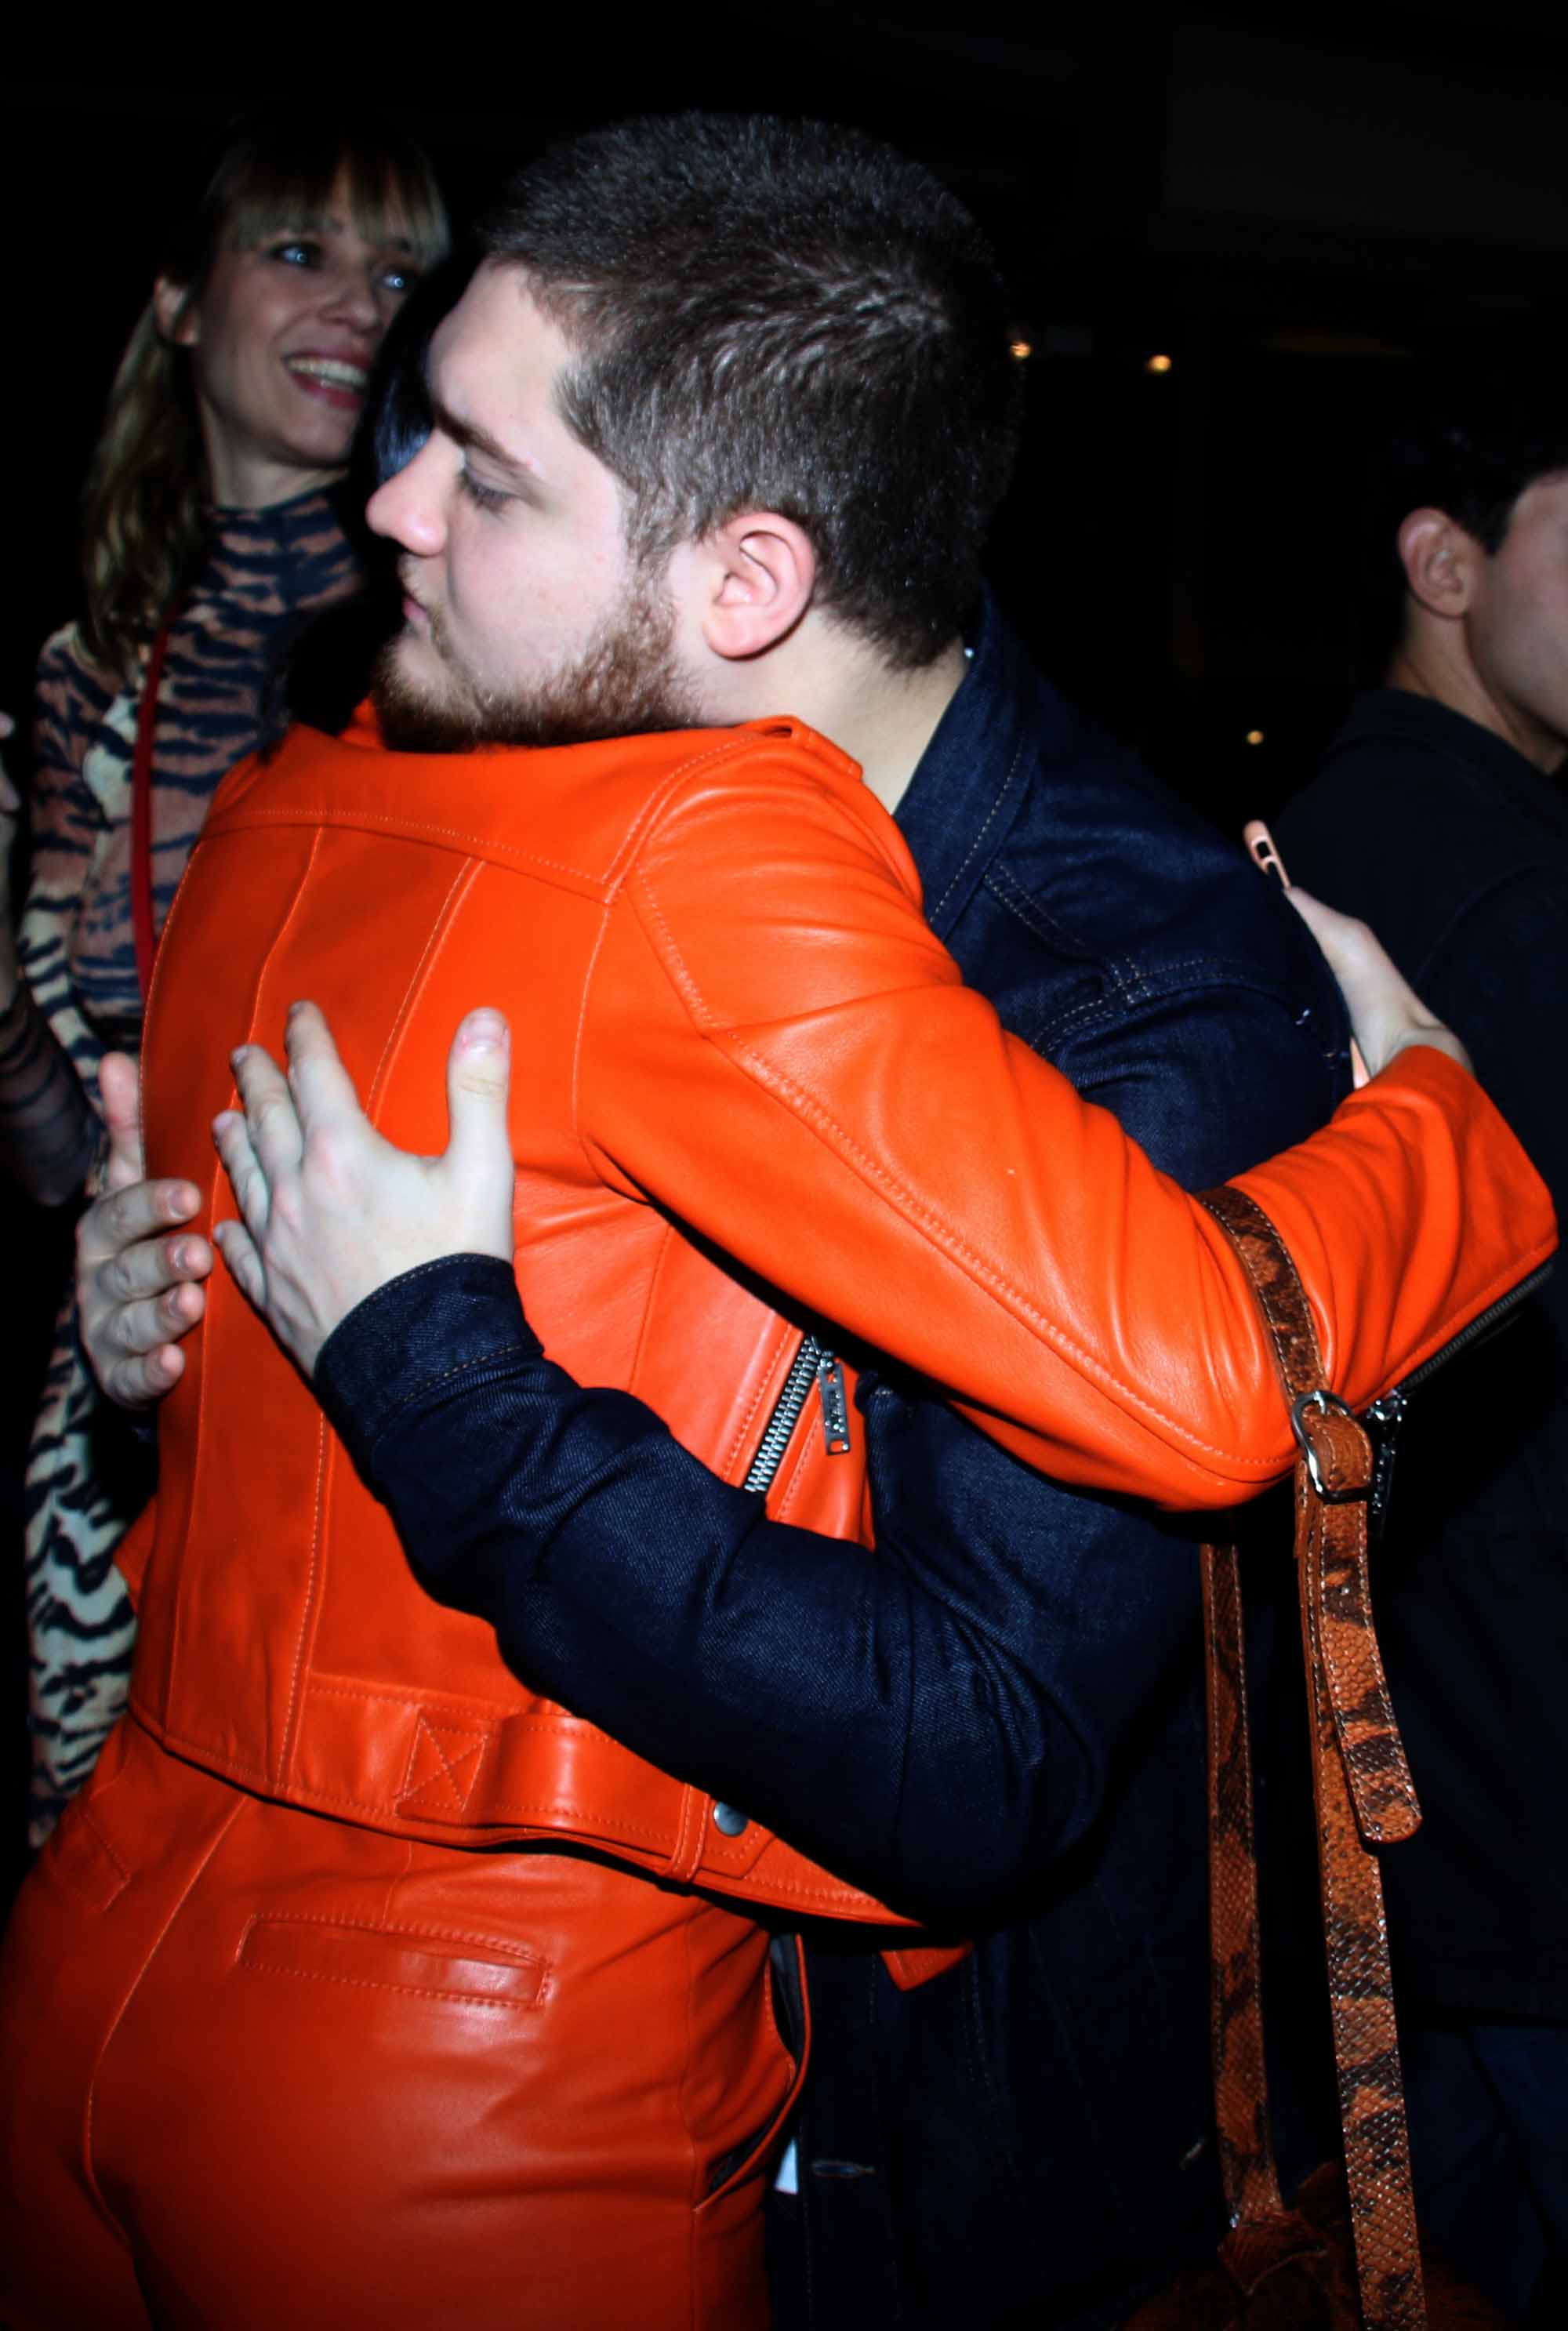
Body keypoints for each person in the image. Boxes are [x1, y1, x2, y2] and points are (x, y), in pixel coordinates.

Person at [2, 115, 1550, 2331]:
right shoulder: (489, 766)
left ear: (743, 581)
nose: (388, 504)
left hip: (906, 2159)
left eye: (483, 470)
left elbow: (970, 1756)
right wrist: (176, 1303)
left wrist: (432, 1373)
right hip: (292, 2008)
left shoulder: (1129, 973)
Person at [0, 104, 447, 1841]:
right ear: (179, 302)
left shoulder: (448, 634)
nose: (361, 304)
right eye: (301, 251)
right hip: (118, 1377)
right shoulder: (87, 667)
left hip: (370, 1358)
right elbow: (55, 1160)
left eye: (403, 268)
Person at [1276, 359, 1568, 2324]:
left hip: (1400, 1784)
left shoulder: (1318, 827)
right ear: (1440, 563)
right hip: (1523, 1781)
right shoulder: (1497, 881)